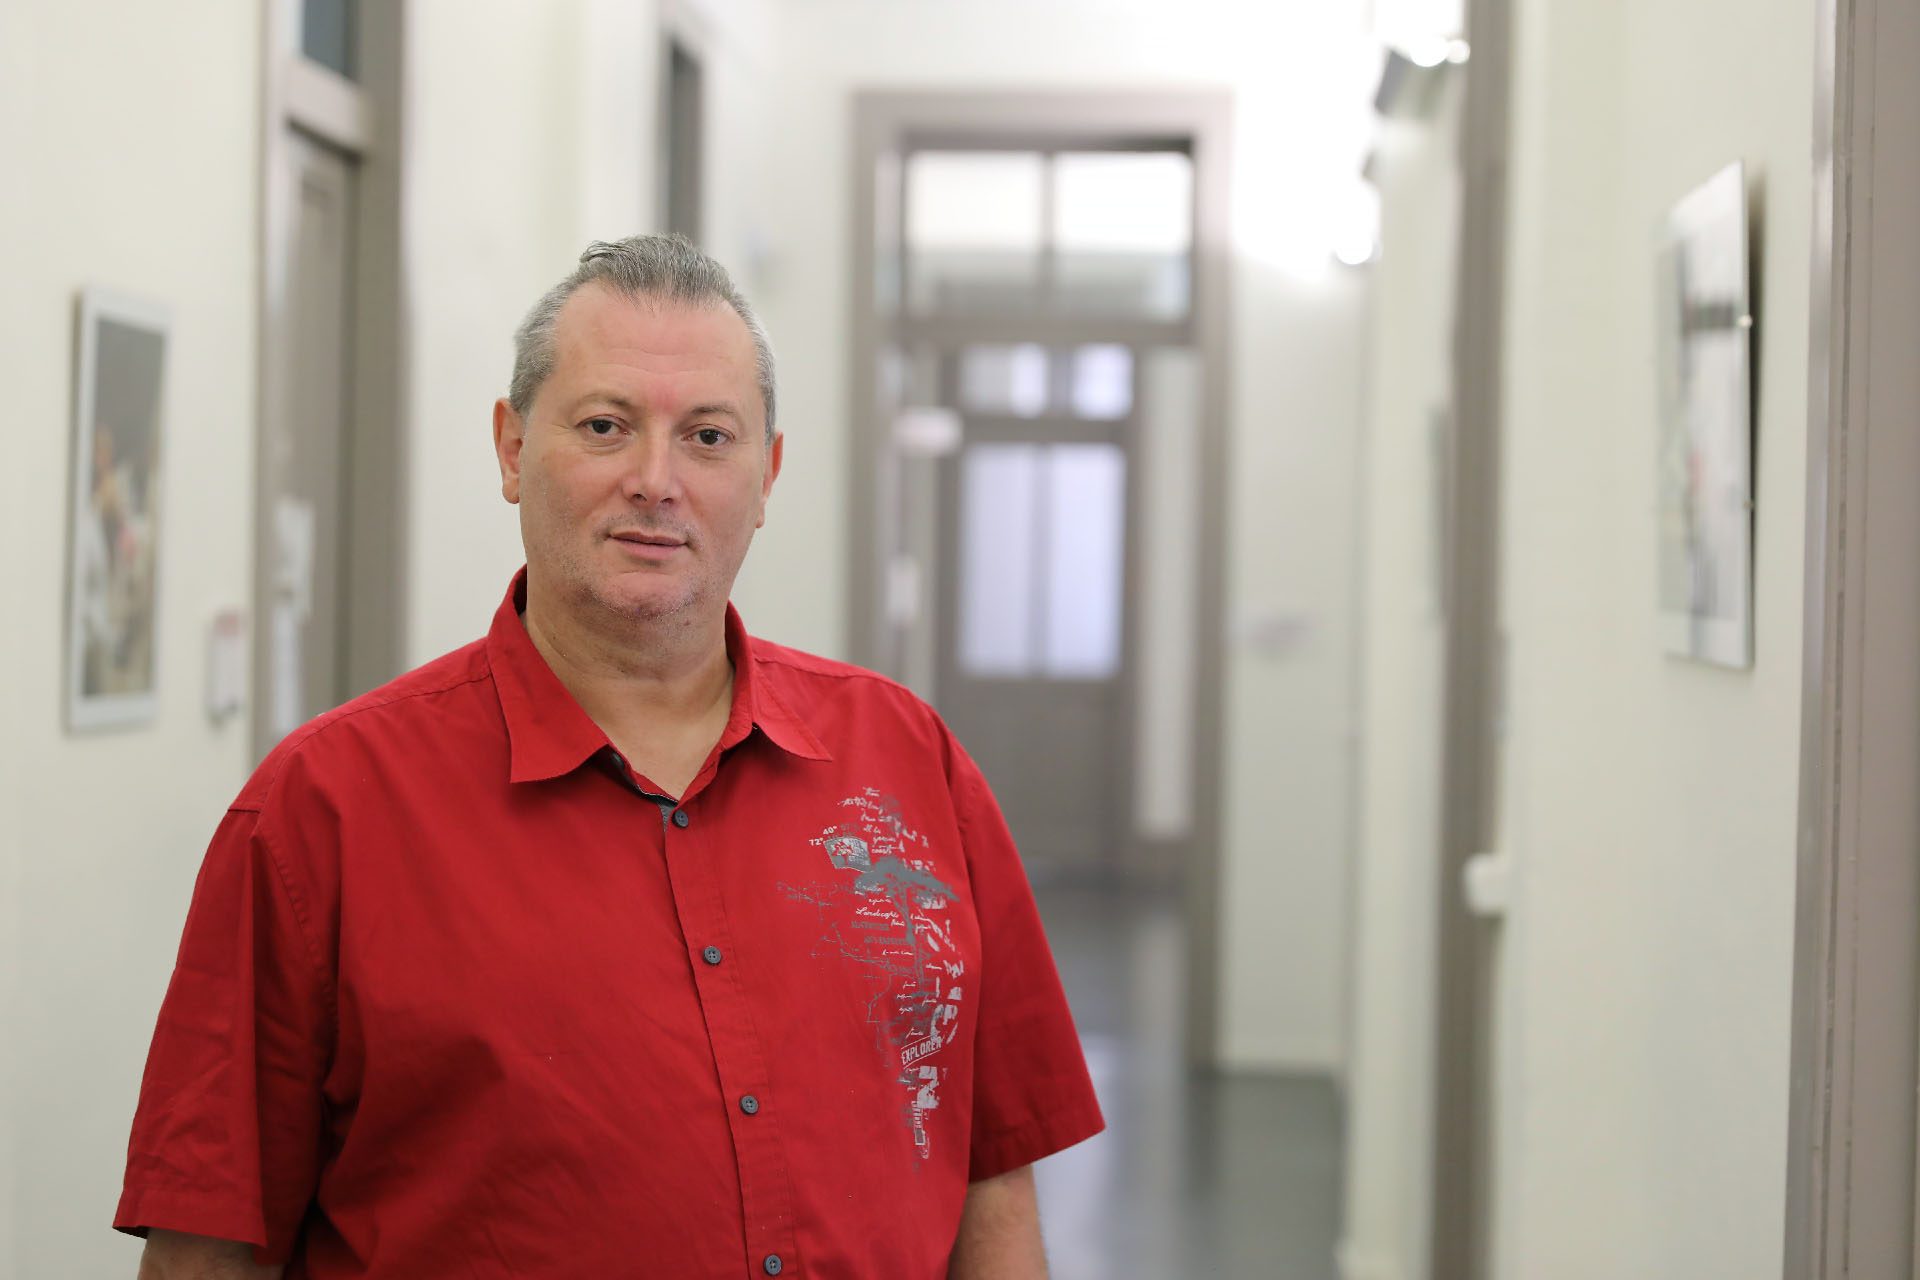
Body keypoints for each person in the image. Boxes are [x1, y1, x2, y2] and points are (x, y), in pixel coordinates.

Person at [117, 235, 1103, 1279]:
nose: (656, 480)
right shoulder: (323, 812)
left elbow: (992, 1173)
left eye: (709, 436)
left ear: (766, 475)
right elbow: (209, 1245)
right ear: (510, 446)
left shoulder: (910, 764)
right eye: (605, 426)